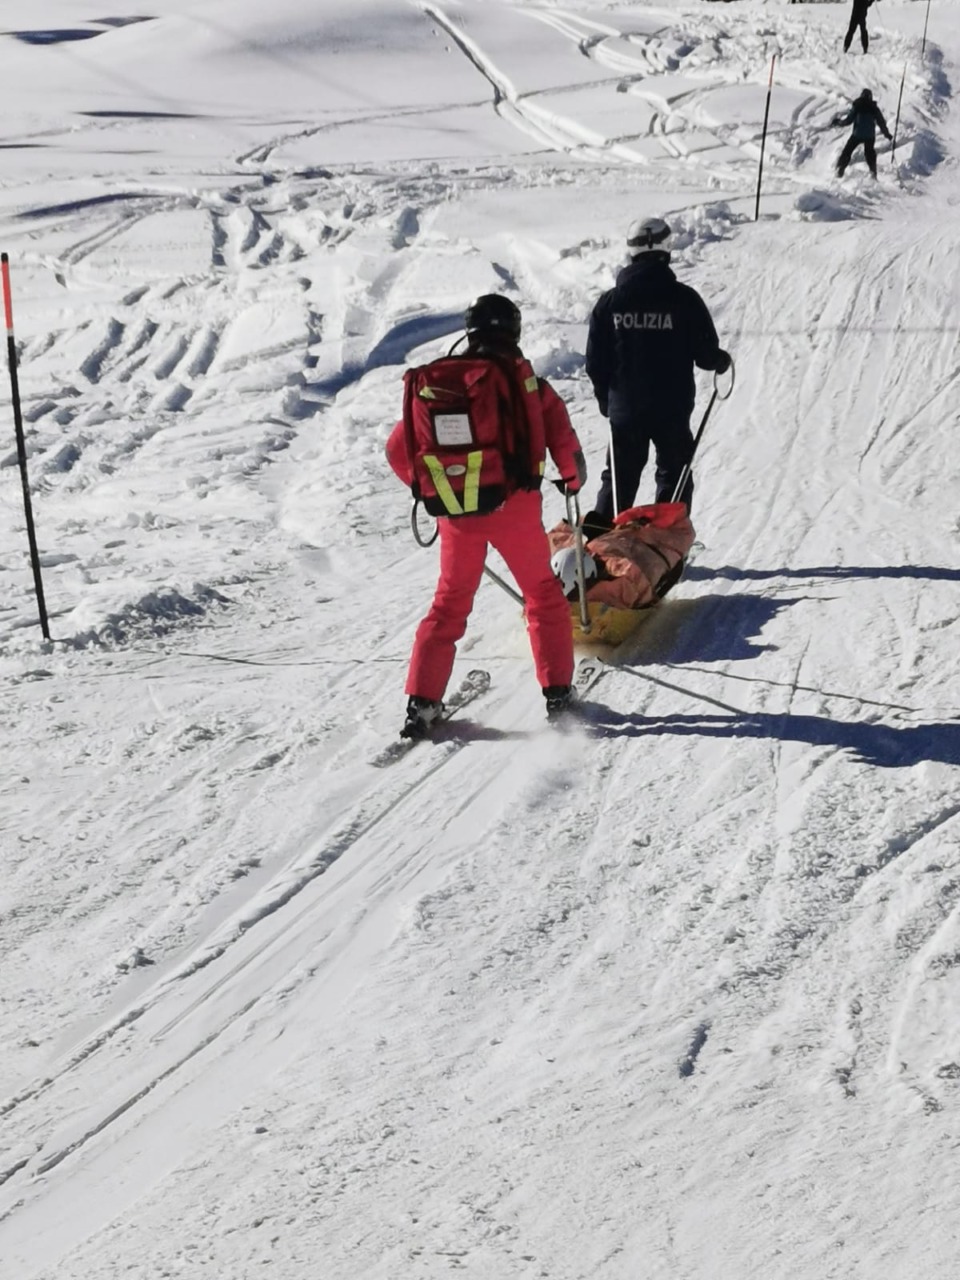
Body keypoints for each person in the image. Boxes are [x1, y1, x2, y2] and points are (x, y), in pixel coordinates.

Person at [386, 294, 587, 737]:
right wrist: (572, 480)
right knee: (542, 596)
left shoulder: (439, 381)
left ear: (470, 330)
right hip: (514, 507)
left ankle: (421, 702)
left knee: (449, 604)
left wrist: (435, 490)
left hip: (458, 513)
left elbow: (398, 450)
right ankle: (557, 695)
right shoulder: (525, 381)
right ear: (513, 331)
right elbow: (563, 442)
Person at [584, 216, 730, 521]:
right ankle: (665, 548)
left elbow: (596, 361)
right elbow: (704, 353)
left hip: (625, 409)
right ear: (668, 249)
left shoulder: (610, 303)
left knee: (619, 478)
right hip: (671, 409)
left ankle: (599, 547)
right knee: (674, 475)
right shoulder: (684, 300)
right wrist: (719, 360)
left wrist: (605, 400)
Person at [833, 88, 892, 178]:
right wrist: (887, 135)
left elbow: (848, 121)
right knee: (869, 153)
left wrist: (838, 122)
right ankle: (873, 173)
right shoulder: (874, 107)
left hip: (857, 134)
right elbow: (881, 123)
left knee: (847, 151)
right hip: (870, 136)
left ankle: (840, 170)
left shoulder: (857, 105)